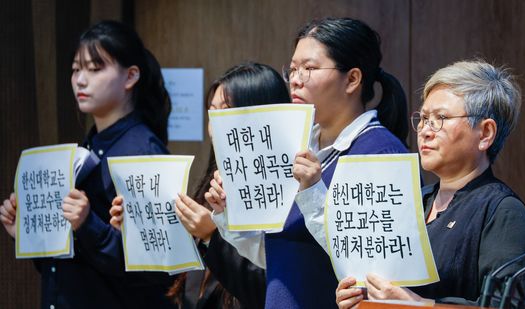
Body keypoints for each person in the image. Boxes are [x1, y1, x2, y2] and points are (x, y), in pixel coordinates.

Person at [206, 17, 409, 308]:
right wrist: (228, 214)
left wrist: (314, 191)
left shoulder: (380, 152)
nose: (296, 79)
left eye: (310, 68)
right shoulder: (297, 146)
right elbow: (277, 254)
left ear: (352, 79)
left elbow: (369, 264)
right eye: (293, 69)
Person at [335, 60, 525, 308]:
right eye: (423, 118)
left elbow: (508, 307)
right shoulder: (410, 201)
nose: (425, 130)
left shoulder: (503, 212)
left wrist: (420, 305)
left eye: (440, 118)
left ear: (485, 133)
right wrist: (361, 297)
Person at [0, 20, 175, 308]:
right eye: (75, 69)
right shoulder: (89, 146)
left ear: (131, 76)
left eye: (95, 68)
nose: (81, 80)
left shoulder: (143, 152)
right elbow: (74, 266)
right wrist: (30, 234)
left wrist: (88, 224)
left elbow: (159, 270)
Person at [110, 62, 290, 308]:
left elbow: (271, 288)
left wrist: (212, 236)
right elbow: (178, 279)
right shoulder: (211, 181)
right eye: (211, 112)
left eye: (226, 111)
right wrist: (138, 227)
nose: (215, 124)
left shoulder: (284, 188)